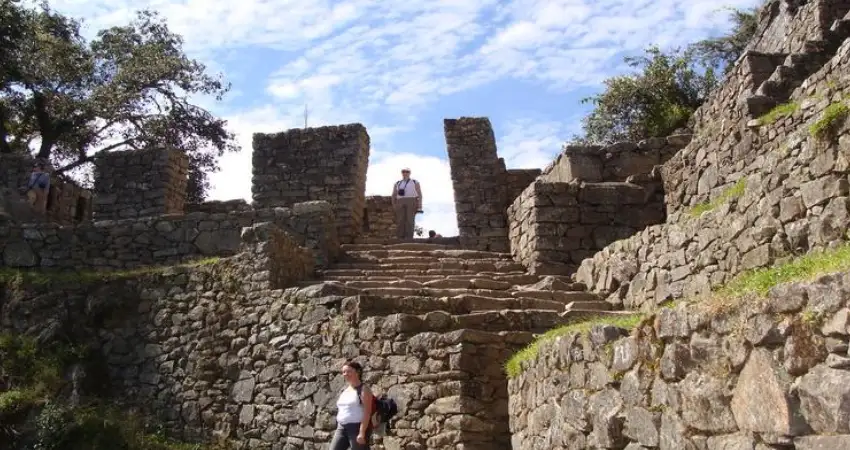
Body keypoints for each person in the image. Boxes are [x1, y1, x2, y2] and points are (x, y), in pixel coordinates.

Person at [330, 361, 374, 450]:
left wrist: (362, 432)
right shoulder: (345, 390)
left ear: (357, 372)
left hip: (356, 428)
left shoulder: (364, 389)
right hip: (341, 428)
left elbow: (367, 412)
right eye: (343, 372)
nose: (345, 374)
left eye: (348, 371)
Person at [391, 168, 422, 240]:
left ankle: (409, 238)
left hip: (412, 201)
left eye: (407, 171)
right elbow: (394, 194)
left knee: (410, 220)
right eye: (403, 171)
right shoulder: (397, 183)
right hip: (400, 201)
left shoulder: (415, 182)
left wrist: (420, 205)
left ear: (410, 173)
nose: (405, 173)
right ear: (401, 173)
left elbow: (419, 194)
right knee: (400, 220)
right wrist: (394, 204)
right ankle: (400, 237)